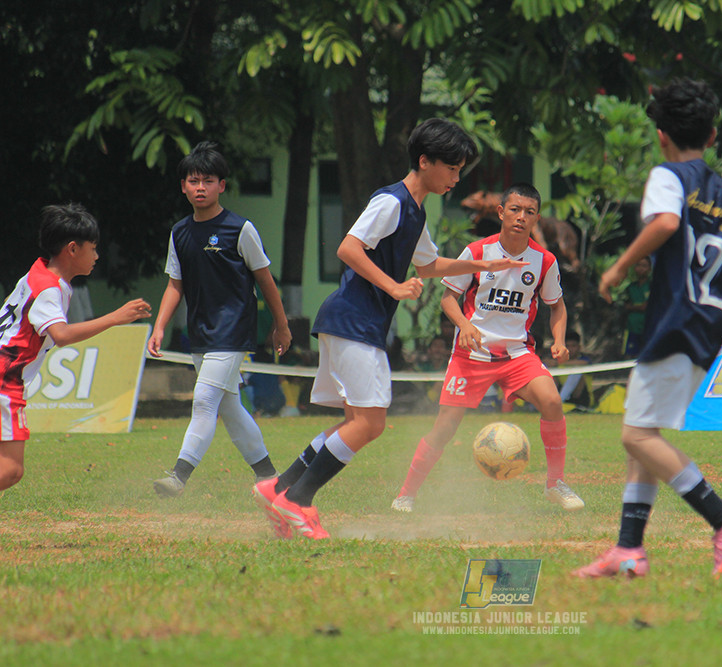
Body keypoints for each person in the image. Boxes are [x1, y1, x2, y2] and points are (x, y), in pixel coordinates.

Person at [252, 118, 526, 539]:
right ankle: (297, 502)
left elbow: (429, 265)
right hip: (353, 320)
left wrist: (483, 264)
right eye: (451, 169)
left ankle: (279, 486)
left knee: (355, 421)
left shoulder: (414, 211)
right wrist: (394, 287)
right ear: (425, 161)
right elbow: (348, 248)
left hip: (352, 323)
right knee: (371, 424)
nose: (456, 178)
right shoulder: (392, 202)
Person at [573, 78, 722, 579]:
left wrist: (617, 268)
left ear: (661, 135)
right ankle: (628, 549)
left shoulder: (668, 175)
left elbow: (664, 225)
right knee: (646, 430)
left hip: (674, 318)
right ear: (713, 135)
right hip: (709, 322)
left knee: (635, 435)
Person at [391, 183, 585, 513]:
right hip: (472, 354)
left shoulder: (544, 261)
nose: (521, 217)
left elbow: (558, 306)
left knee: (552, 401)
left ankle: (555, 484)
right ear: (500, 212)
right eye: (515, 209)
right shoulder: (477, 252)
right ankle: (406, 494)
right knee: (445, 427)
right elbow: (448, 298)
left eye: (529, 212)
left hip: (517, 354)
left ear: (536, 218)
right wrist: (465, 326)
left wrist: (560, 341)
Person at [147, 141, 292, 497]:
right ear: (183, 185)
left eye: (208, 181)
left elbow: (265, 280)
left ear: (221, 186)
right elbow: (174, 285)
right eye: (193, 181)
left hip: (232, 331)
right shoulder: (179, 233)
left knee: (204, 401)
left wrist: (281, 324)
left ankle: (178, 476)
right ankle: (271, 478)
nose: (200, 187)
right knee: (230, 408)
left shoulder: (240, 229)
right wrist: (160, 327)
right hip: (200, 331)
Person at [0, 204, 151, 492]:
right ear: (72, 249)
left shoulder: (38, 272)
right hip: (5, 379)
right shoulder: (48, 288)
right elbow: (62, 335)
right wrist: (115, 318)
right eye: (92, 248)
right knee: (10, 470)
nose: (96, 256)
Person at [622, 256, 652, 356]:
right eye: (638, 265)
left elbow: (646, 307)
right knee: (629, 356)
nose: (641, 268)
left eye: (644, 266)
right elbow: (625, 306)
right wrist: (639, 307)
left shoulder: (652, 285)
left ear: (649, 269)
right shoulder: (630, 287)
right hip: (632, 327)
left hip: (647, 327)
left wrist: (632, 307)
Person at [558, 330, 592, 410]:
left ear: (579, 347)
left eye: (573, 346)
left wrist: (559, 363)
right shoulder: (558, 362)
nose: (570, 349)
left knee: (577, 372)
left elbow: (585, 363)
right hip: (563, 394)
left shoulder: (584, 360)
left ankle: (559, 401)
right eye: (568, 346)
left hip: (581, 398)